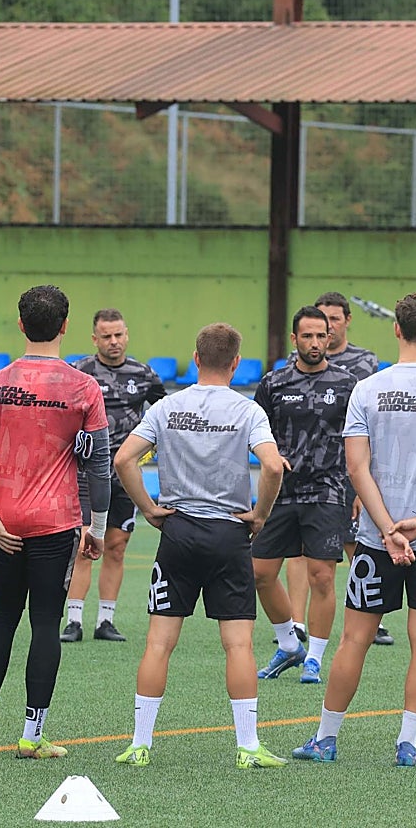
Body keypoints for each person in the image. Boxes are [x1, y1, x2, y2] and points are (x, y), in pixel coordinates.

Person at [292, 292, 416, 767]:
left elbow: (357, 468)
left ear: (396, 329)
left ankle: (325, 739)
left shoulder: (367, 389)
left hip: (376, 539)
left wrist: (386, 528)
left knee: (354, 639)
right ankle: (408, 743)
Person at [112, 323, 287, 769]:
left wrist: (149, 508)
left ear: (195, 358)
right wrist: (260, 515)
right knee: (239, 645)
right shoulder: (247, 410)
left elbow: (123, 458)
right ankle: (248, 746)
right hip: (229, 534)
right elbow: (272, 466)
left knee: (158, 643)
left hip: (179, 532)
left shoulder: (168, 407)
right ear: (236, 363)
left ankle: (140, 744)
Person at [0, 285, 110, 759]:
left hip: (4, 522)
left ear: (20, 325)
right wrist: (98, 530)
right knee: (45, 623)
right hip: (56, 523)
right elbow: (100, 466)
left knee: (1, 618)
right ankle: (31, 737)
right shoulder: (84, 388)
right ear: (65, 327)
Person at [253, 306, 358, 686]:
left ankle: (313, 658)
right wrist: (269, 456)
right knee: (260, 574)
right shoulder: (273, 383)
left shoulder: (348, 384)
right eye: (307, 336)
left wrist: (360, 490)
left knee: (322, 577)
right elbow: (255, 432)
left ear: (329, 338)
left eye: (320, 336)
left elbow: (362, 440)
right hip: (279, 492)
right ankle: (288, 644)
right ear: (294, 339)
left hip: (328, 491)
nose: (315, 343)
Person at [289, 291, 392, 646]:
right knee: (300, 549)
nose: (328, 326)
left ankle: (372, 618)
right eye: (322, 319)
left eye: (334, 318)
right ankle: (296, 623)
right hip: (305, 470)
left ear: (347, 320)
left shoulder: (364, 361)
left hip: (349, 465)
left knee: (357, 542)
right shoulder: (295, 361)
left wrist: (369, 474)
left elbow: (373, 418)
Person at [61, 308, 166, 644]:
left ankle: (105, 621)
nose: (114, 341)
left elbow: (165, 415)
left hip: (124, 476)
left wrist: (147, 451)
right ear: (95, 339)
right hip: (86, 474)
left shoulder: (144, 374)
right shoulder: (79, 372)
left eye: (119, 334)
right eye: (106, 336)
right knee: (84, 545)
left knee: (117, 547)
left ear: (127, 334)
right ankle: (73, 620)